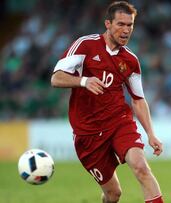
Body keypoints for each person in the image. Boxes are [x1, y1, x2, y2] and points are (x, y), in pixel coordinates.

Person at [51, 2, 164, 203]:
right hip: (88, 133)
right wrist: (84, 81)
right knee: (113, 195)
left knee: (141, 167)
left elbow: (138, 100)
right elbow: (56, 78)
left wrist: (151, 133)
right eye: (121, 24)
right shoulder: (85, 45)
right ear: (108, 24)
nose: (126, 30)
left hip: (119, 121)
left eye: (130, 25)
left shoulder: (130, 60)